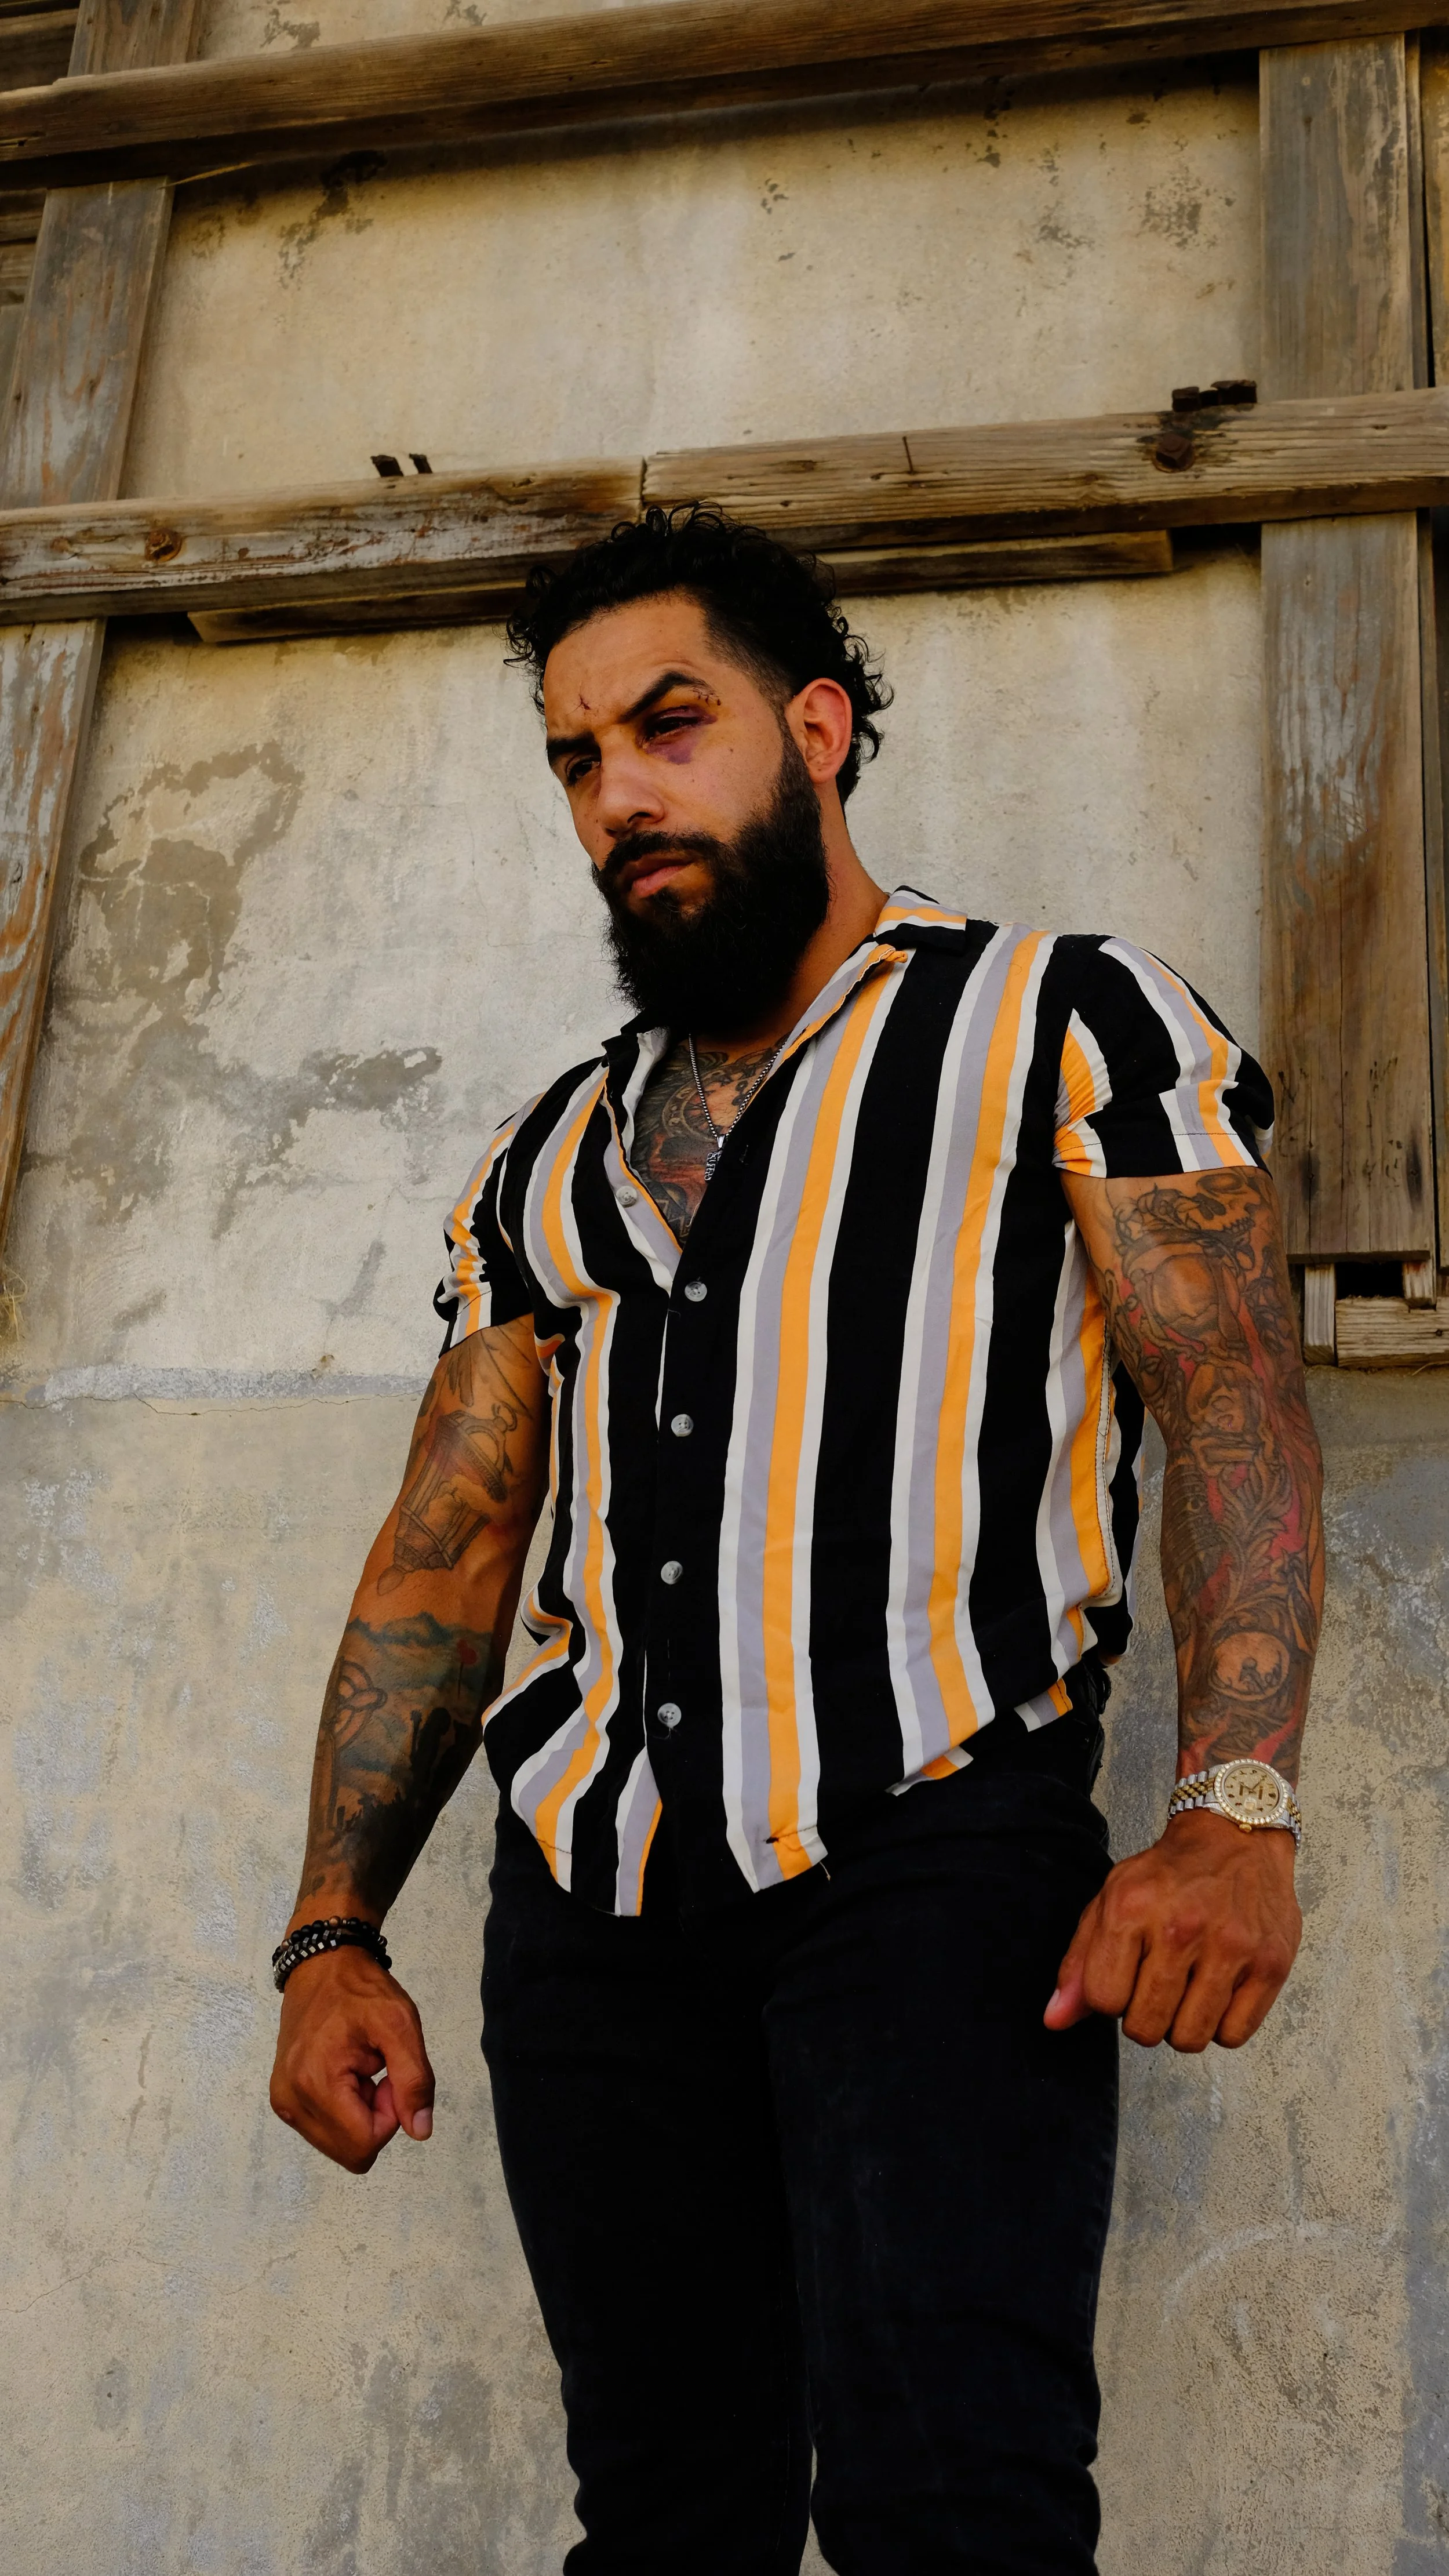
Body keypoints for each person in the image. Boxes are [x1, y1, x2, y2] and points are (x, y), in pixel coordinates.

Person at [269, 505, 1323, 2575]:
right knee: (665, 2524)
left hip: (930, 1865)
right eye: (578, 757)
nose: (619, 794)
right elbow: (446, 1549)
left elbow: (1230, 1406)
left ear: (816, 729)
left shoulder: (1062, 1021)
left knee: (956, 2508)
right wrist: (331, 1933)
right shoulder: (548, 1152)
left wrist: (1232, 1810)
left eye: (671, 725)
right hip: (587, 1908)